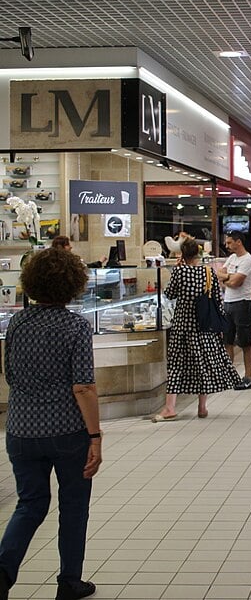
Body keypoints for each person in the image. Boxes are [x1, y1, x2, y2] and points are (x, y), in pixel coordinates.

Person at [0, 248, 102, 600]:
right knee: (73, 505)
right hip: (67, 432)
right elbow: (84, 387)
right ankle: (69, 581)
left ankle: (2, 572)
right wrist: (95, 436)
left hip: (21, 430)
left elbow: (10, 375)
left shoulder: (17, 322)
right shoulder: (75, 326)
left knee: (30, 504)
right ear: (72, 283)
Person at [153, 238, 241, 421]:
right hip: (204, 327)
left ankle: (170, 408)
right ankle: (202, 407)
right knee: (202, 365)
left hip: (183, 326)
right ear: (198, 254)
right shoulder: (208, 272)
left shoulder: (179, 272)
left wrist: (177, 270)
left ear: (182, 255)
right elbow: (218, 299)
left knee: (176, 366)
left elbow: (169, 295)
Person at [216, 231, 251, 390]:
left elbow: (236, 282)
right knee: (227, 341)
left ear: (238, 242)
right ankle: (229, 375)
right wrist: (228, 278)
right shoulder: (232, 258)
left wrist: (227, 278)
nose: (226, 245)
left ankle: (248, 377)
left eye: (229, 242)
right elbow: (219, 274)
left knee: (245, 342)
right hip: (228, 303)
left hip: (242, 303)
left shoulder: (248, 260)